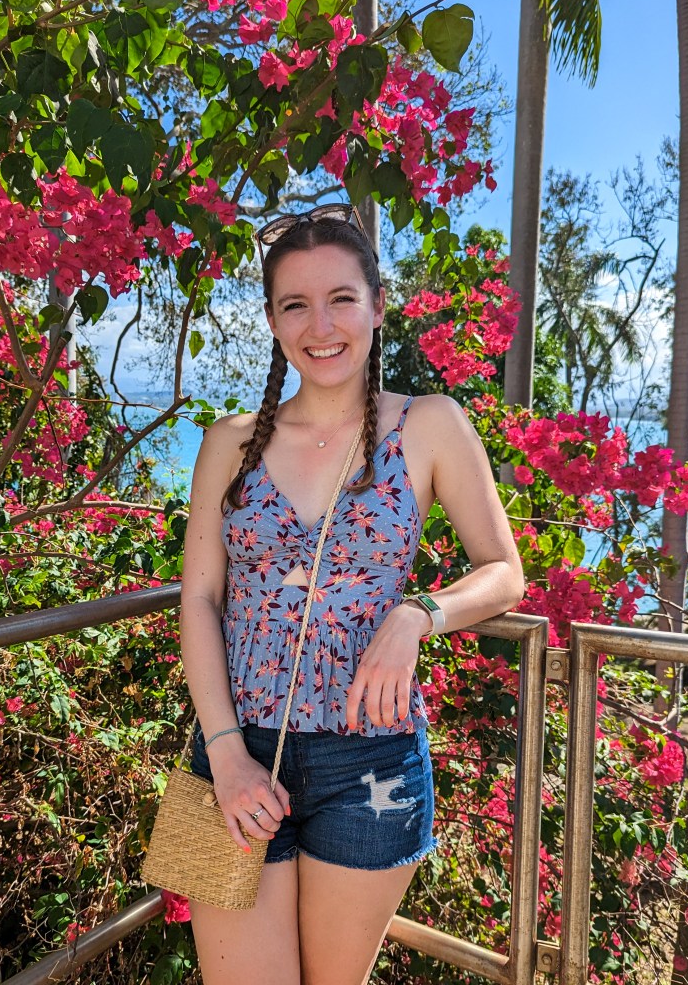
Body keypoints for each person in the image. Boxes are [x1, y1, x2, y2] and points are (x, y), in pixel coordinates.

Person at [179, 204, 525, 985]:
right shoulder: (227, 442)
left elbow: (503, 570)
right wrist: (227, 754)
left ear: (377, 303)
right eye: (294, 304)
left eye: (341, 297)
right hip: (229, 754)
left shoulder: (431, 424)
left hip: (370, 762)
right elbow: (198, 600)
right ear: (271, 320)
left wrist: (416, 614)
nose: (320, 324)